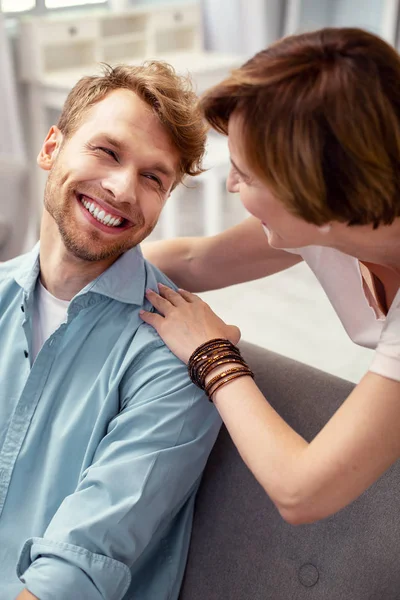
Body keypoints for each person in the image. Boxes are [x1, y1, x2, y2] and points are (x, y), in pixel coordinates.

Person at [141, 27, 400, 526]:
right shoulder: (335, 223)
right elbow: (199, 259)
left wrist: (211, 354)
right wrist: (70, 258)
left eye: (247, 175)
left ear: (323, 201)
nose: (230, 182)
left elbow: (302, 493)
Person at [0, 62, 221, 600]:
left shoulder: (175, 357)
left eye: (153, 178)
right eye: (107, 151)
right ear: (52, 148)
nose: (123, 189)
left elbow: (77, 573)